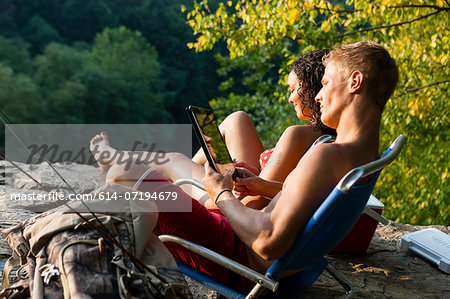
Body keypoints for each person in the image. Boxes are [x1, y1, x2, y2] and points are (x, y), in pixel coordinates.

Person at [103, 41, 399, 291]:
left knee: (123, 173)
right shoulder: (365, 156)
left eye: (325, 84)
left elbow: (266, 242)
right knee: (135, 179)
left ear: (355, 82)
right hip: (288, 267)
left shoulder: (327, 155)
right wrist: (264, 186)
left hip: (239, 262)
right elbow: (310, 201)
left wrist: (221, 194)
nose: (318, 96)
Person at [90, 49, 334, 208]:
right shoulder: (323, 136)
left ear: (312, 90)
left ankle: (111, 156)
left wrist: (229, 182)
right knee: (237, 119)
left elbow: (257, 197)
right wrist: (248, 173)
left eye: (294, 90)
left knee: (173, 159)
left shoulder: (297, 135)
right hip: (254, 183)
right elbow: (271, 183)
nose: (290, 98)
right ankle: (196, 169)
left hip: (240, 204)